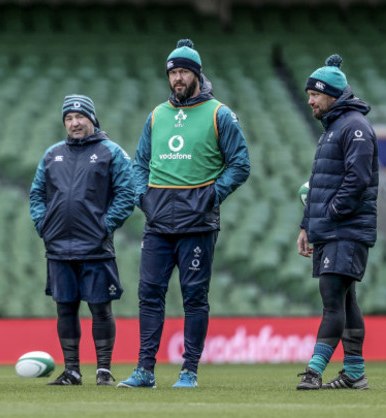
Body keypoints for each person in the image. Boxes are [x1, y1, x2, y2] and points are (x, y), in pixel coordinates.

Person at [117, 39, 250, 389]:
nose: (177, 78)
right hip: (158, 221)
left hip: (198, 223)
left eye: (183, 72)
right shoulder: (157, 114)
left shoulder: (220, 114)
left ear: (196, 74)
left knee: (194, 296)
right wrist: (141, 196)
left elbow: (240, 165)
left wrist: (210, 196)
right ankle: (145, 370)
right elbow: (139, 164)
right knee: (149, 294)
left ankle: (189, 370)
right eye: (173, 72)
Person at [29, 95, 134, 386]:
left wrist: (105, 226)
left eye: (79, 117)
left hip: (96, 247)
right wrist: (43, 225)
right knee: (65, 307)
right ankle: (72, 371)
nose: (74, 123)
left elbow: (127, 194)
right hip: (58, 247)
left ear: (92, 118)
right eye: (68, 119)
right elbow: (37, 194)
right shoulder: (52, 154)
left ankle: (104, 370)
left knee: (100, 307)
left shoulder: (111, 152)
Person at [296, 55, 377, 390]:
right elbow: (319, 184)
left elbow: (357, 181)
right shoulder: (333, 129)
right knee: (344, 298)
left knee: (332, 294)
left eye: (315, 94)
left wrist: (328, 215)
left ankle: (314, 371)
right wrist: (306, 225)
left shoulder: (354, 126)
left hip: (347, 227)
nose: (310, 100)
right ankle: (355, 373)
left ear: (332, 95)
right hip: (332, 227)